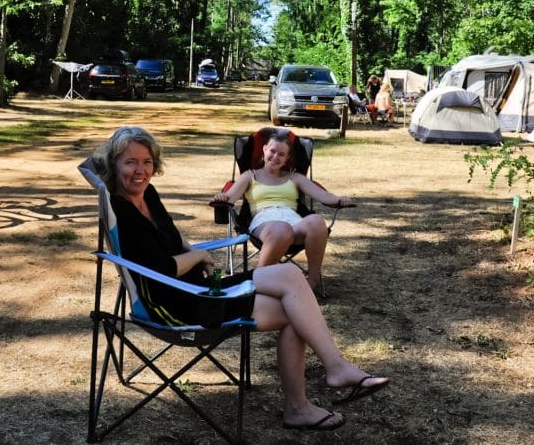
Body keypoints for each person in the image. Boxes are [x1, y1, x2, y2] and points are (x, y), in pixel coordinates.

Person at [95, 126, 388, 431]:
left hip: (198, 289)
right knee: (293, 303)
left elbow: (170, 241)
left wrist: (194, 251)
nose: (140, 170)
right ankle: (317, 388)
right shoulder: (122, 209)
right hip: (177, 304)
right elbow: (162, 270)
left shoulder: (148, 194)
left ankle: (322, 383)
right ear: (114, 164)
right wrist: (198, 257)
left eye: (147, 162)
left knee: (292, 291)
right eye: (130, 162)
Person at [213, 128, 350, 291]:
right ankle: (258, 283)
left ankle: (312, 281)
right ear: (264, 149)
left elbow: (322, 195)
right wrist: (222, 197)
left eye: (281, 154)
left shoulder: (295, 177)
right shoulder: (250, 176)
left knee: (316, 221)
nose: (275, 157)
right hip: (264, 221)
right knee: (281, 229)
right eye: (272, 151)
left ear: (287, 158)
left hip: (293, 221)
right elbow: (230, 197)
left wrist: (339, 199)